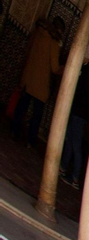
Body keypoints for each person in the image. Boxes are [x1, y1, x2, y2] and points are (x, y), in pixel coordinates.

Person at [11, 17, 63, 145]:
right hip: (41, 84)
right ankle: (30, 141)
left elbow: (27, 52)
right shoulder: (54, 43)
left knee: (22, 107)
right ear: (59, 30)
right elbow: (55, 68)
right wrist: (67, 68)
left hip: (28, 79)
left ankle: (14, 131)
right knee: (36, 115)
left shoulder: (37, 33)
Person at [59, 54, 89, 187]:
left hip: (79, 113)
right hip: (81, 114)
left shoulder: (86, 75)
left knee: (75, 144)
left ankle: (75, 177)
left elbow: (80, 95)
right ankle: (63, 168)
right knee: (71, 141)